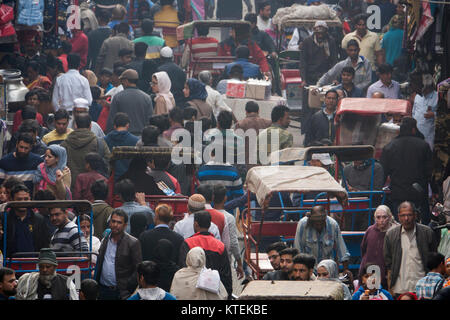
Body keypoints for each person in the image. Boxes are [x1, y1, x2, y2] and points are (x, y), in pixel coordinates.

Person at [380, 117, 433, 223]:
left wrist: (379, 190)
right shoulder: (423, 146)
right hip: (418, 195)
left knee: (399, 226)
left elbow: (383, 173)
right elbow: (430, 172)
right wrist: (435, 190)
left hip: (398, 194)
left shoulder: (389, 147)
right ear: (414, 129)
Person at [384, 201, 438, 298]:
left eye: (409, 215)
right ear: (398, 216)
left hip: (423, 288)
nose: (406, 219)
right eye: (403, 215)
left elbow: (434, 262)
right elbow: (389, 265)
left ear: (415, 215)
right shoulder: (391, 235)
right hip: (400, 288)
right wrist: (390, 287)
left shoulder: (427, 233)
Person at [178, 210, 233, 298]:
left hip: (193, 294)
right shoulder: (220, 246)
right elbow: (226, 276)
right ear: (209, 224)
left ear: (196, 224)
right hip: (215, 294)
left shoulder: (188, 243)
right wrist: (228, 295)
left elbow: (183, 269)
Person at [96, 209, 142, 300]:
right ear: (110, 223)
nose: (115, 225)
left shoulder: (133, 243)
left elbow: (138, 268)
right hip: (102, 290)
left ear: (125, 225)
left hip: (121, 293)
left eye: (119, 222)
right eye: (113, 221)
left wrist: (127, 288)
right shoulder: (105, 238)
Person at [294, 206, 352, 276]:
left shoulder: (333, 224)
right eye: (316, 223)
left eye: (321, 223)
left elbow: (342, 250)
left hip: (327, 270)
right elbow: (298, 250)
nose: (319, 226)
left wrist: (345, 269)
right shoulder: (302, 224)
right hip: (310, 270)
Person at [61, 113, 111, 190]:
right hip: (95, 189)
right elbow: (109, 161)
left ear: (75, 126)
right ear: (90, 126)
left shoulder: (65, 144)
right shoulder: (98, 143)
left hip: (71, 188)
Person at [0, 184, 51, 257]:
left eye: (26, 199)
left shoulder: (39, 220)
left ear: (30, 199)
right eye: (19, 199)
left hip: (33, 264)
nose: (23, 202)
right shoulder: (3, 218)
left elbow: (45, 245)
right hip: (9, 264)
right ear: (11, 199)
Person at [359, 205, 398, 288]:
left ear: (390, 217)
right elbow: (363, 249)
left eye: (384, 217)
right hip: (370, 273)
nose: (381, 220)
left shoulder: (395, 232)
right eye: (378, 217)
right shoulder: (370, 230)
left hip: (387, 275)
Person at [106, 69, 154, 136]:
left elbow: (111, 120)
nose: (121, 84)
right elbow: (150, 120)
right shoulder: (147, 98)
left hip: (122, 136)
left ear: (126, 81)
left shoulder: (118, 97)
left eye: (122, 82)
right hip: (140, 137)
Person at [213, 184, 244, 279]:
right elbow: (234, 243)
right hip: (224, 259)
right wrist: (239, 262)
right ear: (225, 198)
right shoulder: (229, 218)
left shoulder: (207, 214)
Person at [299, 21, 338, 87]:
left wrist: (334, 78)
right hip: (310, 76)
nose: (320, 35)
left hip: (326, 75)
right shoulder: (307, 41)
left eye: (322, 33)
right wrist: (303, 80)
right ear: (314, 32)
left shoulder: (330, 41)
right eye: (318, 33)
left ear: (326, 32)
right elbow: (303, 62)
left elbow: (334, 60)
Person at [104, 112, 139, 179]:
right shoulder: (135, 141)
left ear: (114, 125)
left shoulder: (105, 140)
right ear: (127, 125)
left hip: (110, 178)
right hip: (129, 178)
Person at [412, 74, 438, 149]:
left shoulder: (437, 97)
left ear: (428, 88)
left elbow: (444, 116)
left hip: (429, 137)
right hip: (416, 135)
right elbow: (414, 113)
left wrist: (433, 114)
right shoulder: (418, 96)